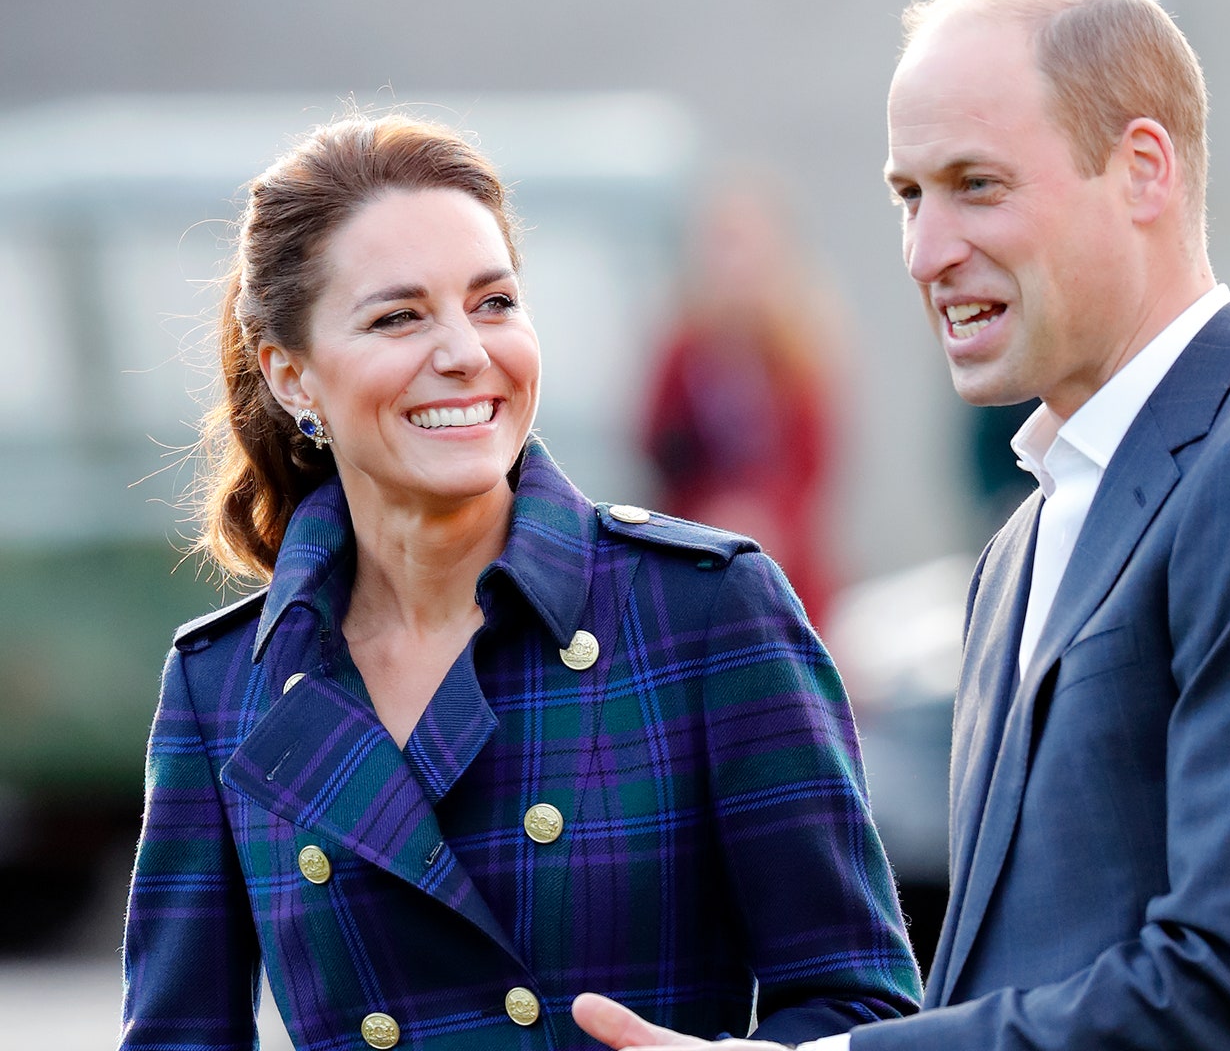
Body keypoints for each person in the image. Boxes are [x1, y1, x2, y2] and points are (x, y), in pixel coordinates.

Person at [574, 0, 1230, 1050]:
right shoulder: (1024, 541)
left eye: (975, 185)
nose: (924, 251)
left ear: (1142, 168)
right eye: (908, 195)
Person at [119, 113, 921, 1050]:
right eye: (398, 316)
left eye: (493, 302)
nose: (465, 351)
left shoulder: (704, 611)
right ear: (292, 376)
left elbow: (861, 1008)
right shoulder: (222, 688)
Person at [640, 174, 839, 626]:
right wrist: (710, 513)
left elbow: (813, 467)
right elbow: (658, 451)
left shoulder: (801, 353)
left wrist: (765, 515)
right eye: (723, 247)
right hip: (695, 554)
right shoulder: (682, 350)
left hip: (783, 564)